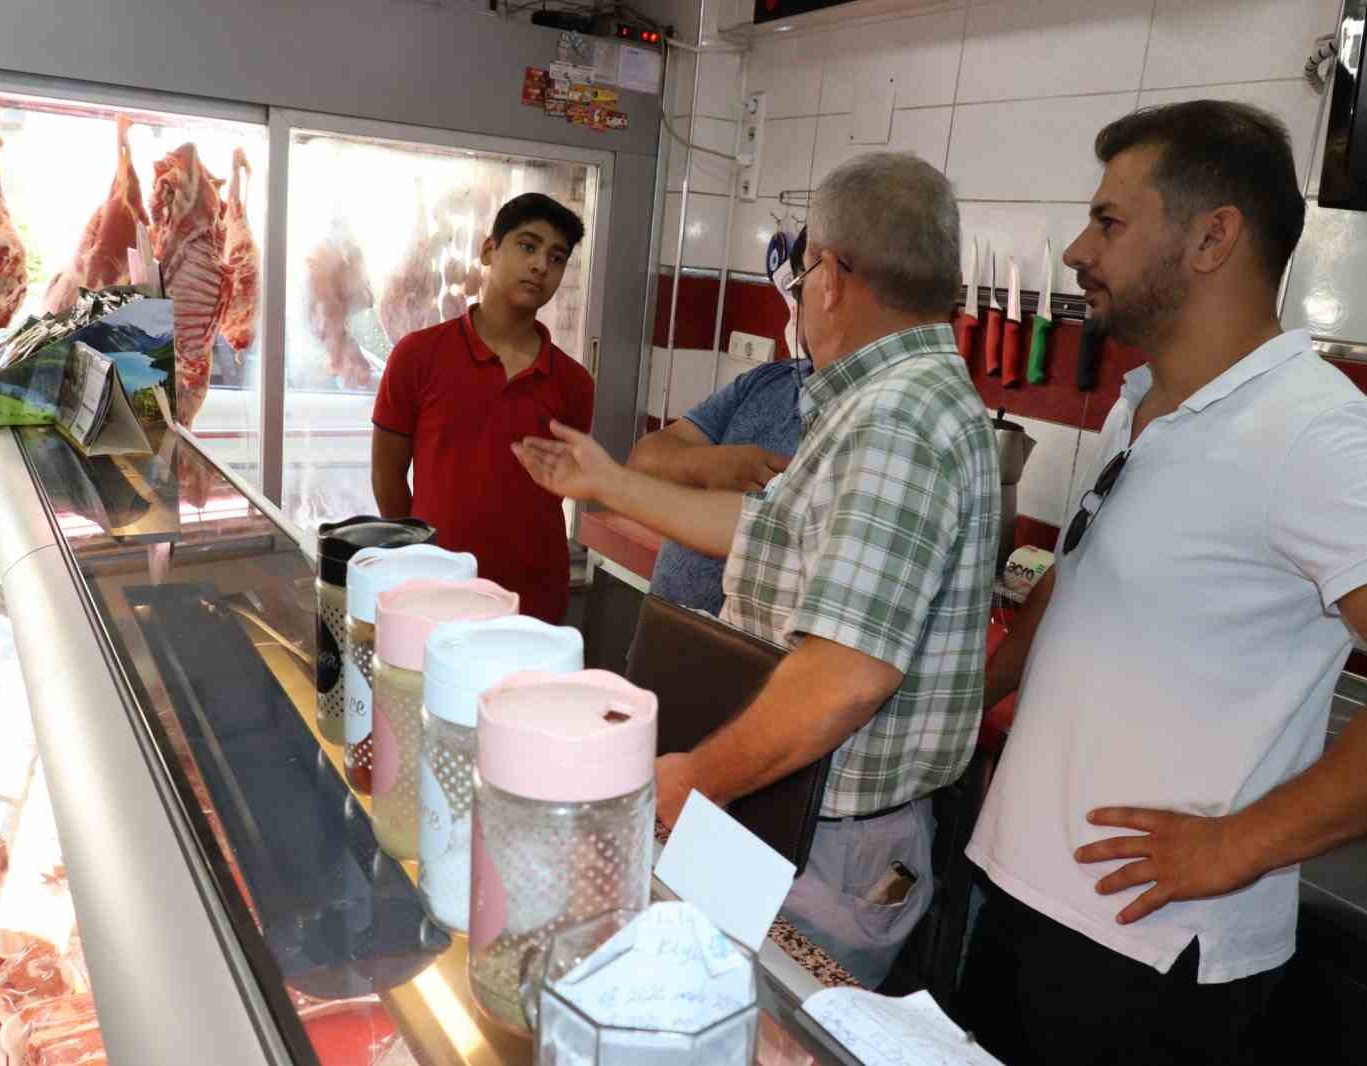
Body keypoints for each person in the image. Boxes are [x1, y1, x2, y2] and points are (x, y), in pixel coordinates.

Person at [958, 100, 1367, 1066]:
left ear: (1211, 237)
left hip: (1147, 957)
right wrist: (963, 701)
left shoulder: (1319, 436)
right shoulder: (1145, 404)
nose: (1079, 248)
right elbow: (1076, 583)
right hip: (1026, 895)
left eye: (1109, 221)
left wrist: (1238, 845)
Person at [514, 154, 1000, 986]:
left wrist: (697, 779)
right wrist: (607, 481)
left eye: (806, 269)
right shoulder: (883, 400)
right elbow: (763, 531)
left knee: (754, 1025)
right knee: (706, 997)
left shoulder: (898, 419)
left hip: (823, 840)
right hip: (787, 811)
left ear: (835, 276)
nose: (804, 292)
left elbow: (844, 677)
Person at [371, 193, 594, 624]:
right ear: (489, 250)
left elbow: (557, 487)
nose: (540, 266)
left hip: (533, 595)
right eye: (527, 246)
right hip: (434, 589)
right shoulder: (418, 354)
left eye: (556, 257)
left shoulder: (574, 383)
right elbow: (387, 473)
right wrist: (416, 556)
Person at [628, 257, 808, 614]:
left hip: (751, 657)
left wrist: (605, 482)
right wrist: (710, 465)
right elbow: (644, 460)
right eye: (794, 292)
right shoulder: (768, 381)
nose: (796, 305)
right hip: (666, 636)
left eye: (802, 287)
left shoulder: (864, 414)